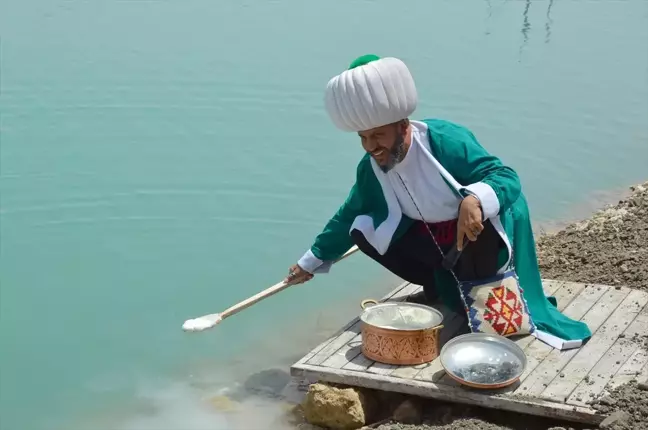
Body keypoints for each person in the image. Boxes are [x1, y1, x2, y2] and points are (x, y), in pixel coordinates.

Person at [284, 54, 591, 350]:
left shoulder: (444, 140)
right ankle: (439, 285)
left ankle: (480, 290)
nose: (371, 147)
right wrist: (310, 262)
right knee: (361, 228)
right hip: (435, 234)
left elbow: (505, 176)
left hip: (479, 230)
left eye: (378, 136)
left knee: (487, 301)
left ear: (403, 126)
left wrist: (476, 199)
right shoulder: (371, 169)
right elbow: (347, 213)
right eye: (363, 138)